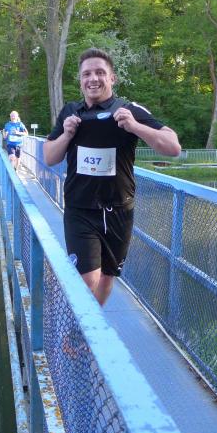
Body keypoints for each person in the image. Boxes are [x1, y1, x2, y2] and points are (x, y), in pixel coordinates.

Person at [43, 48, 181, 305]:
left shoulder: (128, 110)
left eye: (100, 73)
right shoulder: (71, 113)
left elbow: (173, 147)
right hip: (80, 210)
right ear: (80, 80)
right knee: (86, 279)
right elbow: (50, 156)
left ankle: (90, 326)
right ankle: (74, 329)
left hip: (119, 210)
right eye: (87, 74)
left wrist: (135, 127)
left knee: (107, 278)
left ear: (112, 78)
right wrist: (66, 135)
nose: (93, 79)